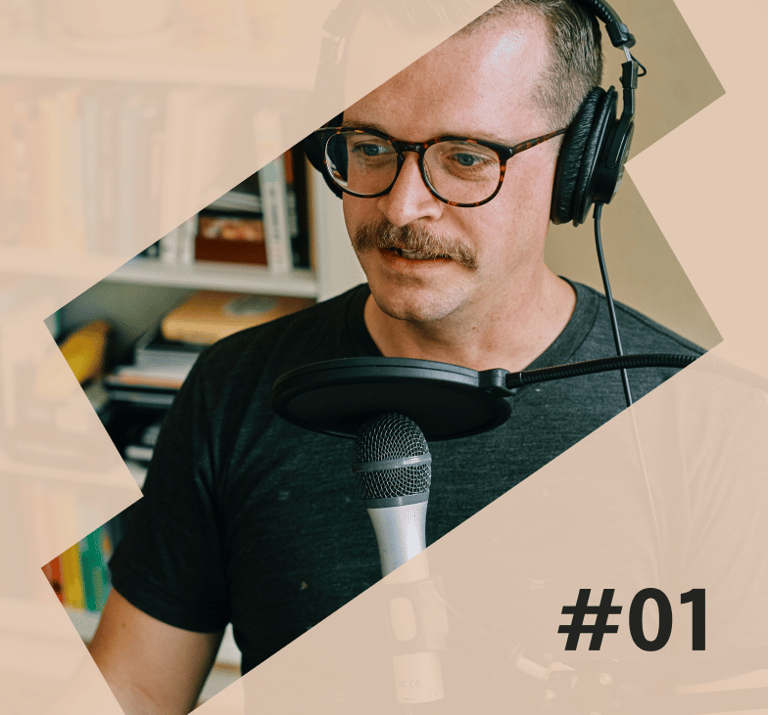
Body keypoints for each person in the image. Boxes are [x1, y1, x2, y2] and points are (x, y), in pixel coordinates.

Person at [86, 1, 727, 713]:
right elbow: (135, 687)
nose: (401, 207)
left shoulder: (705, 425)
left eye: (465, 158)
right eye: (370, 147)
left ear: (581, 162)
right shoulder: (232, 387)